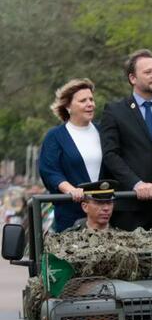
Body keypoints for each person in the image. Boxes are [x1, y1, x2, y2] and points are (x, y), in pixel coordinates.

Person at [99, 49, 152, 230]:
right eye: (148, 72)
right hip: (129, 205)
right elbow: (111, 154)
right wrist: (136, 184)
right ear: (132, 78)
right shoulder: (114, 111)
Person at [38, 78, 102, 232]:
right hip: (71, 214)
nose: (90, 104)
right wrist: (70, 190)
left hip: (104, 215)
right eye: (83, 100)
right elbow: (50, 171)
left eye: (91, 99)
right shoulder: (55, 136)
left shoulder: (104, 132)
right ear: (68, 106)